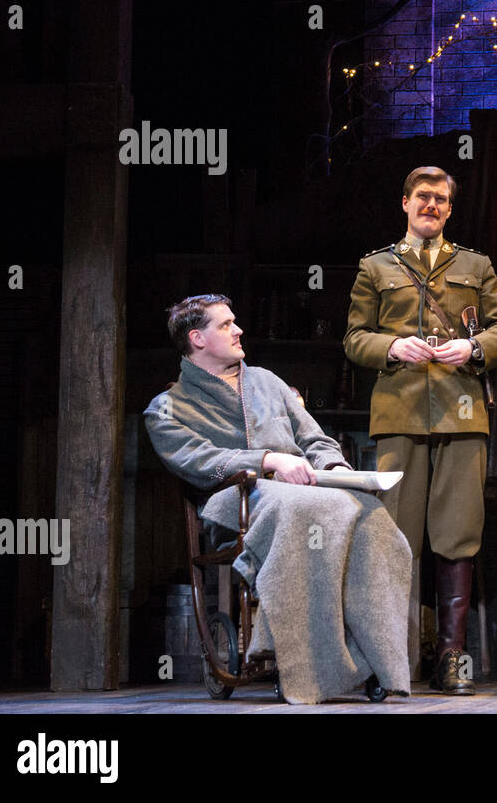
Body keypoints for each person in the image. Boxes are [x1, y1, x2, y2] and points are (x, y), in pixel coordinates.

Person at [144, 294, 413, 704]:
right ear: (196, 338)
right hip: (233, 499)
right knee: (309, 508)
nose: (238, 330)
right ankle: (301, 662)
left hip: (301, 493)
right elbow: (196, 460)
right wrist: (266, 460)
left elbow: (314, 438)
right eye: (225, 325)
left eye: (235, 322)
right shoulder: (167, 408)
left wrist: (338, 469)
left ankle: (372, 658)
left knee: (371, 513)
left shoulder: (267, 382)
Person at [345, 166, 497, 694]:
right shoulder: (375, 267)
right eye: (423, 197)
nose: (432, 206)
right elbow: (355, 339)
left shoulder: (476, 265)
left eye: (441, 200)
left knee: (457, 534)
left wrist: (474, 347)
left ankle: (450, 657)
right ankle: (392, 656)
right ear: (404, 203)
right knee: (397, 538)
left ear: (449, 208)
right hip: (398, 414)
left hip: (463, 412)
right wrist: (392, 347)